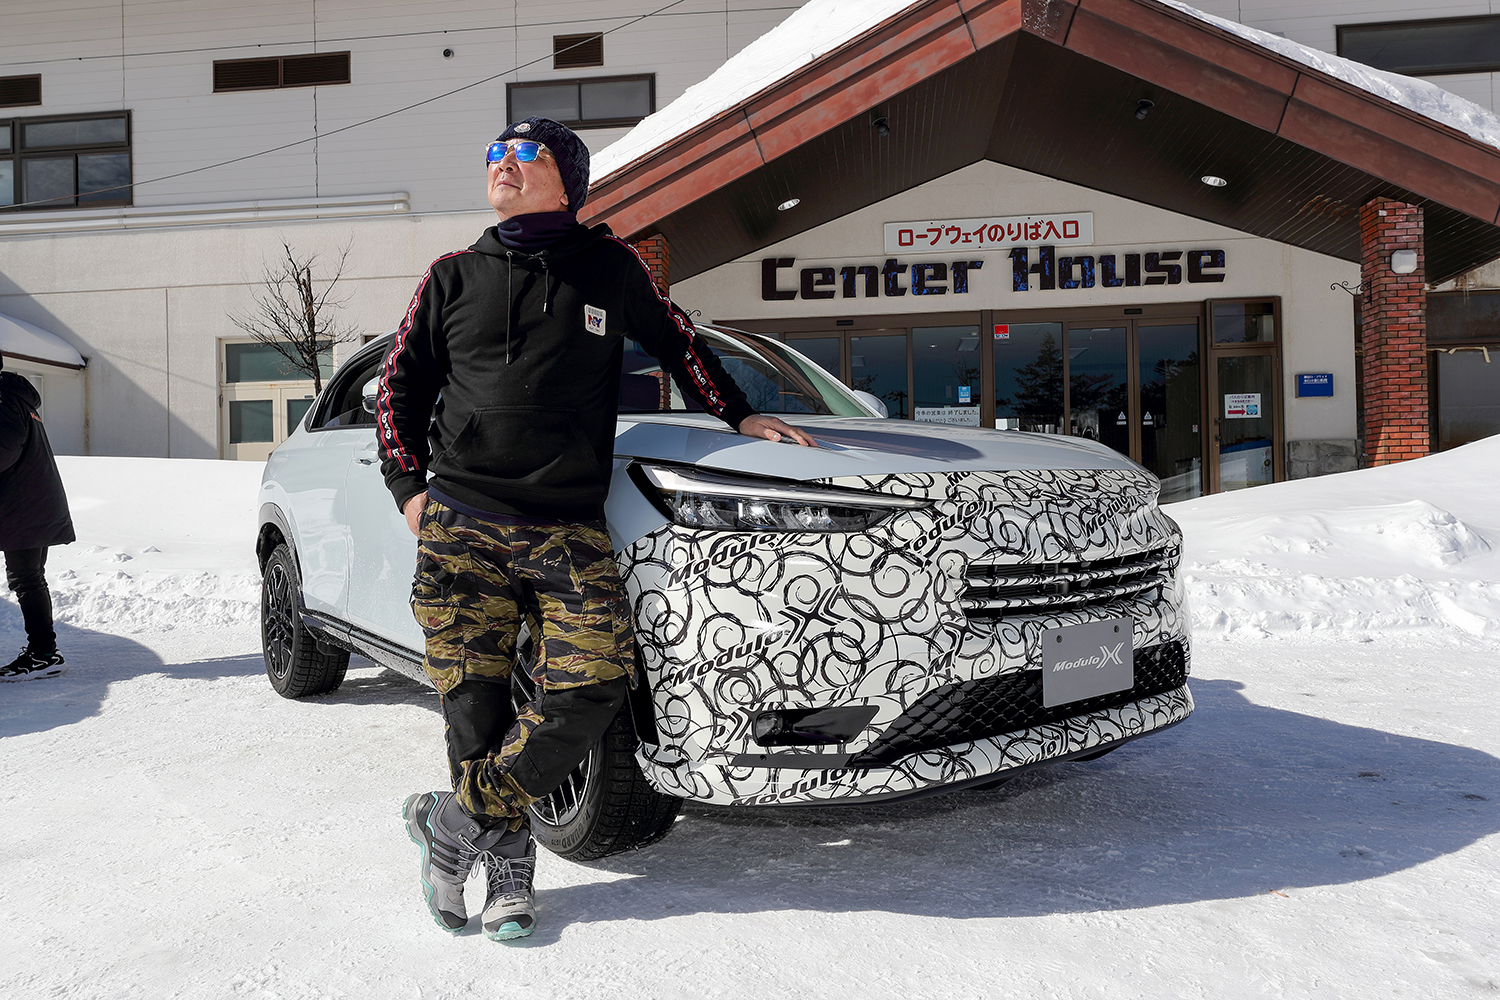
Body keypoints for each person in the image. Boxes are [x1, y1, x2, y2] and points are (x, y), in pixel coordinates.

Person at [378, 116, 814, 941]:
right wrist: (409, 487)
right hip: (461, 522)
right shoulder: (451, 276)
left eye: (524, 155)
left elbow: (680, 345)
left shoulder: (609, 270)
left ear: (568, 181)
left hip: (565, 526)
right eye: (494, 153)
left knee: (594, 685)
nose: (502, 165)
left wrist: (741, 414)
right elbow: (399, 387)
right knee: (475, 709)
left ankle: (453, 819)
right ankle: (509, 873)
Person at [0, 353, 75, 682]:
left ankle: (44, 654)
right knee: (28, 579)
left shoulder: (4, 400)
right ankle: (43, 652)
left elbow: (3, 450)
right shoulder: (14, 397)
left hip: (23, 505)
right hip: (28, 502)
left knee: (26, 579)